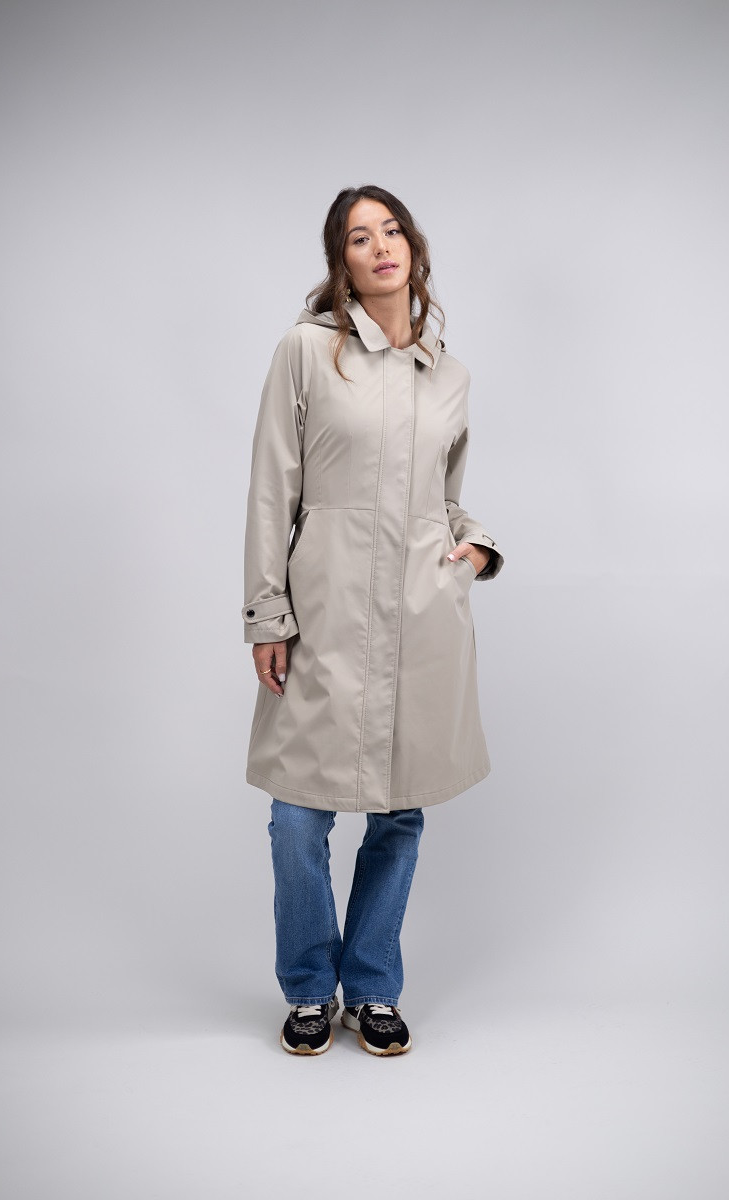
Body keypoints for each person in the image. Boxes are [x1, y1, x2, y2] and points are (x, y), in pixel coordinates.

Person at [242, 184, 504, 1056]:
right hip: (323, 615)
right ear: (341, 263)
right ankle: (308, 986)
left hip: (421, 621)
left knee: (398, 814)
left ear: (413, 248)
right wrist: (267, 615)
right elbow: (272, 489)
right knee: (298, 816)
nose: (381, 246)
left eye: (392, 230)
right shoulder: (306, 352)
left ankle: (373, 985)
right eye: (360, 237)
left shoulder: (450, 374)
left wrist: (477, 549)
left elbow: (445, 501)